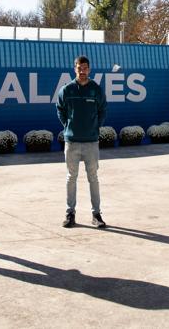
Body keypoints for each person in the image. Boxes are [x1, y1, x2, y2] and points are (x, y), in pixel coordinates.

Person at [57, 55, 107, 229]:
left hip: (91, 142)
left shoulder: (96, 90)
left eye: (85, 68)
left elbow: (103, 110)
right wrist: (68, 126)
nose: (82, 71)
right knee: (71, 178)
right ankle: (70, 213)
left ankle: (96, 214)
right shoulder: (67, 90)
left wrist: (95, 127)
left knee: (93, 178)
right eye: (79, 68)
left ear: (89, 69)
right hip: (72, 142)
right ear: (75, 69)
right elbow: (60, 110)